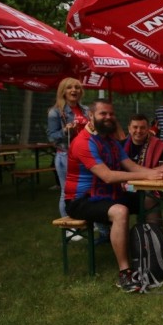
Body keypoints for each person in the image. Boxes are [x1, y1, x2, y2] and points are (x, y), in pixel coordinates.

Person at [64, 99, 163, 292]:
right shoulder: (83, 142)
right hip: (80, 200)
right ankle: (125, 272)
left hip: (108, 194)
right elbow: (108, 176)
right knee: (120, 212)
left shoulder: (110, 141)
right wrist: (147, 174)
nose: (108, 117)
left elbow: (130, 165)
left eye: (111, 114)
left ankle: (157, 251)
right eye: (103, 114)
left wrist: (155, 172)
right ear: (91, 116)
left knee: (150, 199)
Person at [123, 113, 163, 224]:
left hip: (149, 185)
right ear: (129, 128)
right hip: (126, 186)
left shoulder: (156, 144)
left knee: (149, 196)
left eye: (142, 127)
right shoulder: (120, 145)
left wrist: (157, 170)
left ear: (148, 129)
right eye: (135, 127)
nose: (138, 131)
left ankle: (154, 234)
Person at [47, 78, 90, 220]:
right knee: (67, 192)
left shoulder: (86, 110)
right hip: (66, 156)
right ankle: (69, 227)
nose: (74, 90)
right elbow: (52, 137)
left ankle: (88, 219)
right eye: (69, 87)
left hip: (86, 155)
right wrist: (65, 131)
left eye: (77, 87)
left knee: (88, 188)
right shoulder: (55, 112)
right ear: (63, 91)